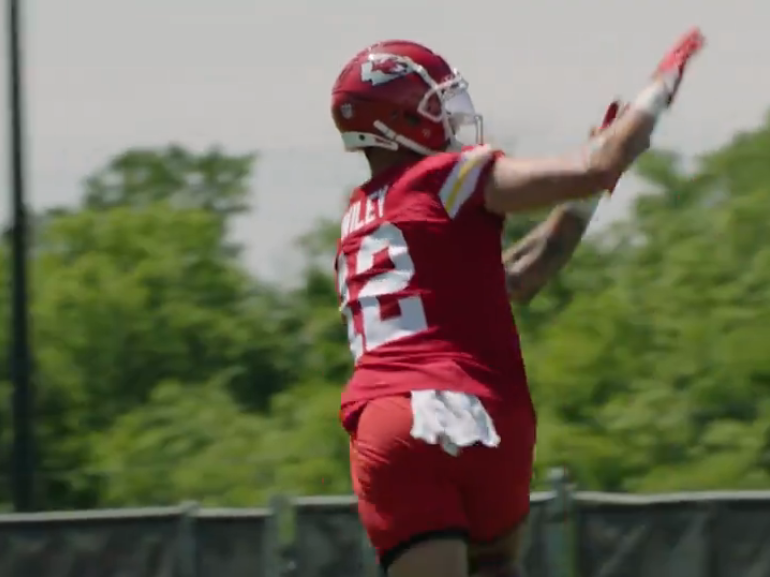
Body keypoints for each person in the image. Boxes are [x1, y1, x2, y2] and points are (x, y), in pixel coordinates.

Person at [331, 30, 705, 577]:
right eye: (435, 101)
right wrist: (659, 89)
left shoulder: (358, 217)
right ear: (397, 120)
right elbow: (599, 164)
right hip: (481, 412)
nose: (451, 114)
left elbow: (519, 274)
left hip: (391, 422)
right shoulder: (442, 178)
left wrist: (587, 195)